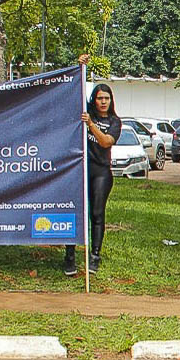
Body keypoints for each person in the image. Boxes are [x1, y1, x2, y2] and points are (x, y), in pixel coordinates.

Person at [64, 81, 121, 276]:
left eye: (107, 98)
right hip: (79, 170)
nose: (103, 102)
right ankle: (69, 255)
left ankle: (95, 256)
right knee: (75, 213)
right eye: (99, 98)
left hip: (101, 172)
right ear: (93, 100)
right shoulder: (85, 113)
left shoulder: (114, 122)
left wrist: (91, 125)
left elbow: (105, 142)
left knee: (97, 214)